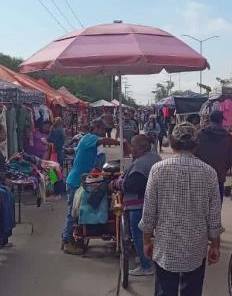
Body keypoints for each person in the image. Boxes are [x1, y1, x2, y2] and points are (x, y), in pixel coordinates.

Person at [140, 123, 222, 296]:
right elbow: (214, 216)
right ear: (196, 144)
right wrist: (215, 246)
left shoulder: (158, 170)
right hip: (195, 248)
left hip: (166, 246)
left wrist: (147, 240)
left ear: (171, 142)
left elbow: (149, 211)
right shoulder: (209, 173)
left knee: (164, 291)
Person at [61, 118, 120, 254]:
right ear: (96, 128)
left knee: (75, 212)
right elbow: (103, 141)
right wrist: (119, 142)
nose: (105, 132)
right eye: (103, 129)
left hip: (80, 181)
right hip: (75, 181)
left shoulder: (89, 142)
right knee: (72, 213)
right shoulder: (89, 138)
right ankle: (67, 242)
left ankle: (69, 238)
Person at [116, 135, 162, 276]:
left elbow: (132, 185)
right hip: (153, 203)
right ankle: (146, 257)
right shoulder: (155, 157)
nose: (130, 149)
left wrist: (118, 183)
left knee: (139, 235)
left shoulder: (141, 164)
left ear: (140, 148)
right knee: (148, 234)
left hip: (138, 205)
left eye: (133, 146)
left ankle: (146, 265)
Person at [194, 110, 232, 199]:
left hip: (201, 175)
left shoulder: (200, 134)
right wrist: (224, 168)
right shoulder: (227, 137)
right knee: (217, 206)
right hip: (219, 176)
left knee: (201, 205)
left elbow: (194, 153)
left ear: (210, 120)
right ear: (221, 121)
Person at [48, 117, 67, 196]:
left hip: (55, 153)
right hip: (58, 153)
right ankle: (58, 189)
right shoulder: (62, 131)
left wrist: (51, 131)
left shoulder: (57, 131)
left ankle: (57, 189)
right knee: (58, 171)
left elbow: (51, 139)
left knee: (54, 171)